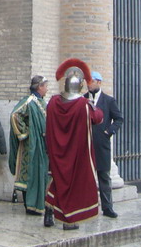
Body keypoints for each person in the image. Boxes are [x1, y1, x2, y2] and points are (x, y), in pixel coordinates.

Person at [44, 58, 103, 229]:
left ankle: (49, 212)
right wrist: (92, 104)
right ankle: (68, 219)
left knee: (57, 181)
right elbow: (98, 117)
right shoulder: (84, 105)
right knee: (71, 185)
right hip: (75, 154)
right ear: (80, 87)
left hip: (56, 151)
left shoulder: (53, 102)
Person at [9, 74, 49, 215]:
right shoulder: (29, 101)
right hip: (30, 146)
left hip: (43, 145)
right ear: (39, 87)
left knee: (42, 173)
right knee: (30, 174)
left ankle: (40, 204)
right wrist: (26, 133)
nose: (47, 89)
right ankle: (30, 206)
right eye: (45, 86)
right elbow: (15, 115)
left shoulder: (41, 102)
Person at [86, 71, 124, 218]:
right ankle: (88, 207)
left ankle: (107, 207)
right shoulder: (83, 100)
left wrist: (109, 132)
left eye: (91, 81)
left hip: (102, 144)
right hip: (87, 144)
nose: (89, 84)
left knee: (104, 176)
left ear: (99, 82)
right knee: (87, 176)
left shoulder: (109, 101)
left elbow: (119, 118)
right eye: (87, 82)